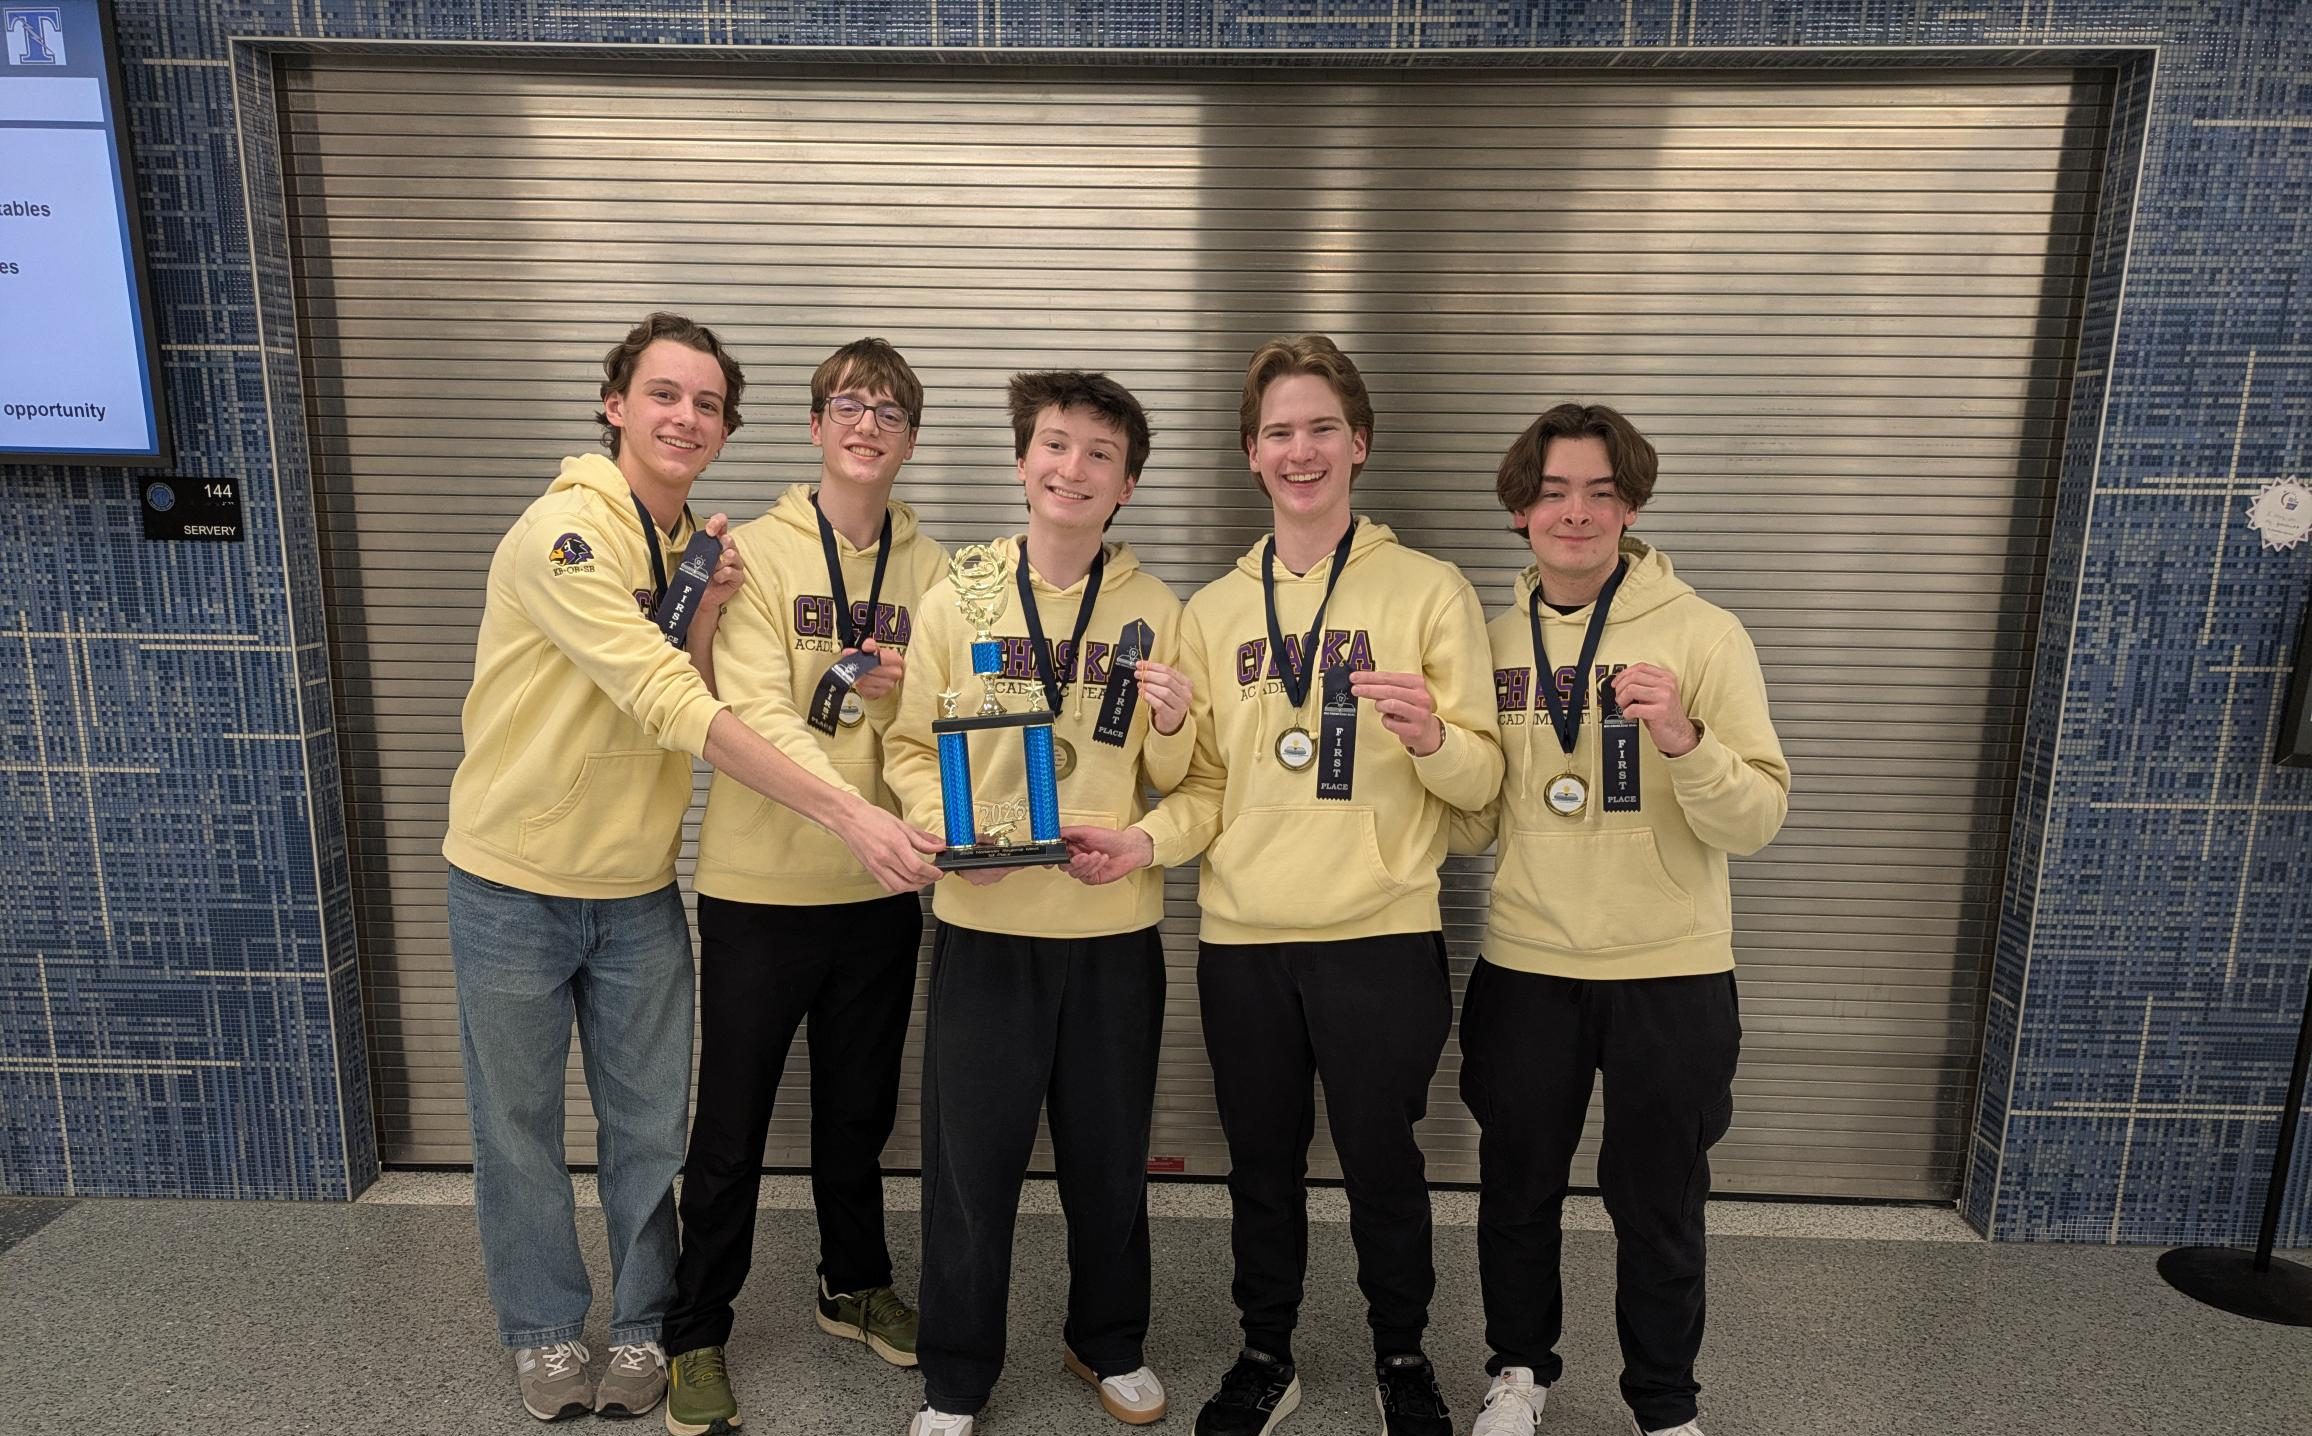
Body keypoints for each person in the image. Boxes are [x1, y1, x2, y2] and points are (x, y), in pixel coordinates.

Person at [441, 312, 941, 1425]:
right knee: (519, 1127)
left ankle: (642, 1327)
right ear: (615, 402)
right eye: (665, 394)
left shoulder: (691, 550)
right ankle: (543, 1325)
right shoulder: (567, 536)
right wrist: (855, 814)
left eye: (707, 403)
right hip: (516, 881)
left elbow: (711, 675)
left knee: (649, 1129)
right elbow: (684, 703)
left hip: (634, 885)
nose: (686, 417)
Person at [1066, 336, 1502, 1436]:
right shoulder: (1211, 610)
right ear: (1250, 457)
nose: (1298, 450)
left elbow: (1484, 787)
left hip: (1379, 932)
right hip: (1245, 938)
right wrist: (1154, 789)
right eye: (1276, 432)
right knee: (1258, 1164)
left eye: (1318, 428)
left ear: (1357, 443)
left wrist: (1434, 735)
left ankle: (1399, 1353)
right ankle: (1266, 1351)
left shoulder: (1430, 590)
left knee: (1382, 1165)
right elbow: (1201, 788)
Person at [1451, 403, 1789, 1436]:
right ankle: (1516, 1370)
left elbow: (1760, 815)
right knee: (1515, 1187)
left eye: (1599, 490)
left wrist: (1684, 738)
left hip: (1670, 969)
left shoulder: (1702, 632)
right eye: (1551, 490)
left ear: (1630, 504)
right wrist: (1423, 746)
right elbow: (1471, 818)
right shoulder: (1491, 638)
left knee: (1657, 1201)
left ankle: (1663, 1402)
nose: (1575, 511)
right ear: (1519, 508)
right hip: (1524, 961)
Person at [883, 371, 1194, 1436]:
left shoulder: (1158, 613)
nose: (1072, 467)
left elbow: (1192, 784)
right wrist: (947, 830)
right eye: (1054, 445)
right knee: (972, 1168)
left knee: (1109, 1160)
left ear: (1127, 484)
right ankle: (955, 1373)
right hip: (984, 932)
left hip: (1111, 933)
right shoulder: (957, 597)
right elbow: (906, 749)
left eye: (1098, 454)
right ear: (1022, 462)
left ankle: (1106, 1339)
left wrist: (1165, 747)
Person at [660, 339, 951, 1436]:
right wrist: (858, 803)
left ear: (910, 437)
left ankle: (852, 1282)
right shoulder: (755, 552)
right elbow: (748, 711)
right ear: (816, 425)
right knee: (730, 1123)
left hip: (879, 894)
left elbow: (949, 716)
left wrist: (902, 724)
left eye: (888, 410)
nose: (867, 423)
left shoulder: (939, 573)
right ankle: (694, 1328)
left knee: (858, 1112)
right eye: (847, 404)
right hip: (759, 889)